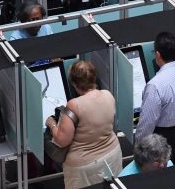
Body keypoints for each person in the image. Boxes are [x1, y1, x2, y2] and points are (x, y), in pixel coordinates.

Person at [44, 60, 122, 189]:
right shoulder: (108, 95)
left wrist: (52, 124)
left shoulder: (74, 105)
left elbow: (62, 140)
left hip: (84, 167)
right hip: (112, 155)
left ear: (74, 83)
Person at [135, 32, 175, 164]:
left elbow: (146, 125)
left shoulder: (155, 85)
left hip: (164, 140)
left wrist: (138, 148)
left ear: (158, 55)